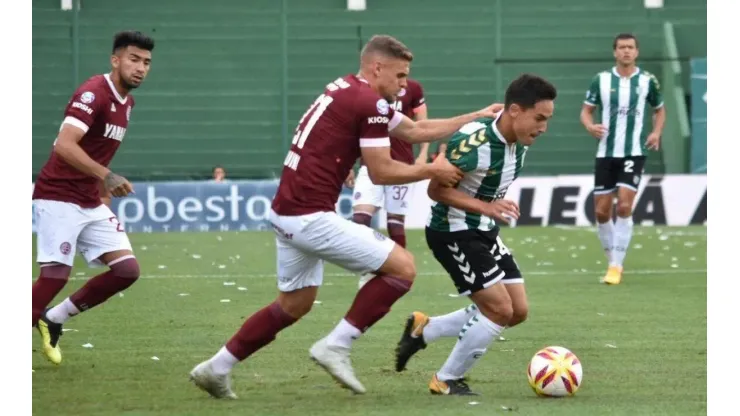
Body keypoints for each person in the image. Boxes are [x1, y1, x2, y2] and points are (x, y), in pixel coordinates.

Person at [189, 34, 503, 399]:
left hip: (287, 212)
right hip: (309, 216)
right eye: (400, 76)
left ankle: (216, 367)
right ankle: (336, 345)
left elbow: (415, 130)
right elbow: (382, 171)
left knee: (294, 304)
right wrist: (433, 171)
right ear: (377, 67)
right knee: (403, 268)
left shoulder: (348, 89)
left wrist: (475, 117)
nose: (404, 85)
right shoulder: (368, 102)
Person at [394, 74, 557, 395]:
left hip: (483, 230)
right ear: (514, 110)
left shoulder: (519, 140)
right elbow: (436, 190)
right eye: (539, 118)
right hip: (453, 232)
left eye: (548, 120)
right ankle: (446, 379)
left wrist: (487, 212)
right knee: (499, 310)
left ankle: (425, 330)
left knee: (517, 311)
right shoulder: (474, 144)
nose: (543, 128)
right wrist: (486, 207)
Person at [31, 31, 155, 365]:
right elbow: (64, 145)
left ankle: (53, 318)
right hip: (58, 196)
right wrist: (107, 177)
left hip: (89, 199)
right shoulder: (93, 93)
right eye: (133, 59)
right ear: (115, 60)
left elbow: (100, 153)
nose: (140, 67)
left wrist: (103, 194)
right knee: (55, 275)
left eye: (146, 62)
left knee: (126, 270)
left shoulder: (127, 102)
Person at [580, 33, 665, 285]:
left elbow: (659, 110)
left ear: (636, 52)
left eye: (630, 47)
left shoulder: (648, 80)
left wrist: (656, 132)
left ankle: (616, 266)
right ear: (615, 52)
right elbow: (586, 110)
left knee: (625, 206)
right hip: (606, 153)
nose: (626, 51)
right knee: (601, 211)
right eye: (621, 47)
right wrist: (590, 126)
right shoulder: (602, 80)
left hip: (634, 152)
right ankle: (612, 261)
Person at [347, 77, 429, 289]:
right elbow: (351, 130)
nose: (402, 76)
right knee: (360, 219)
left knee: (395, 222)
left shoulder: (413, 88)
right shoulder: (366, 93)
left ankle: (397, 275)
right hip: (371, 164)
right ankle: (370, 267)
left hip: (401, 164)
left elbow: (422, 124)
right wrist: (348, 165)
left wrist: (423, 155)